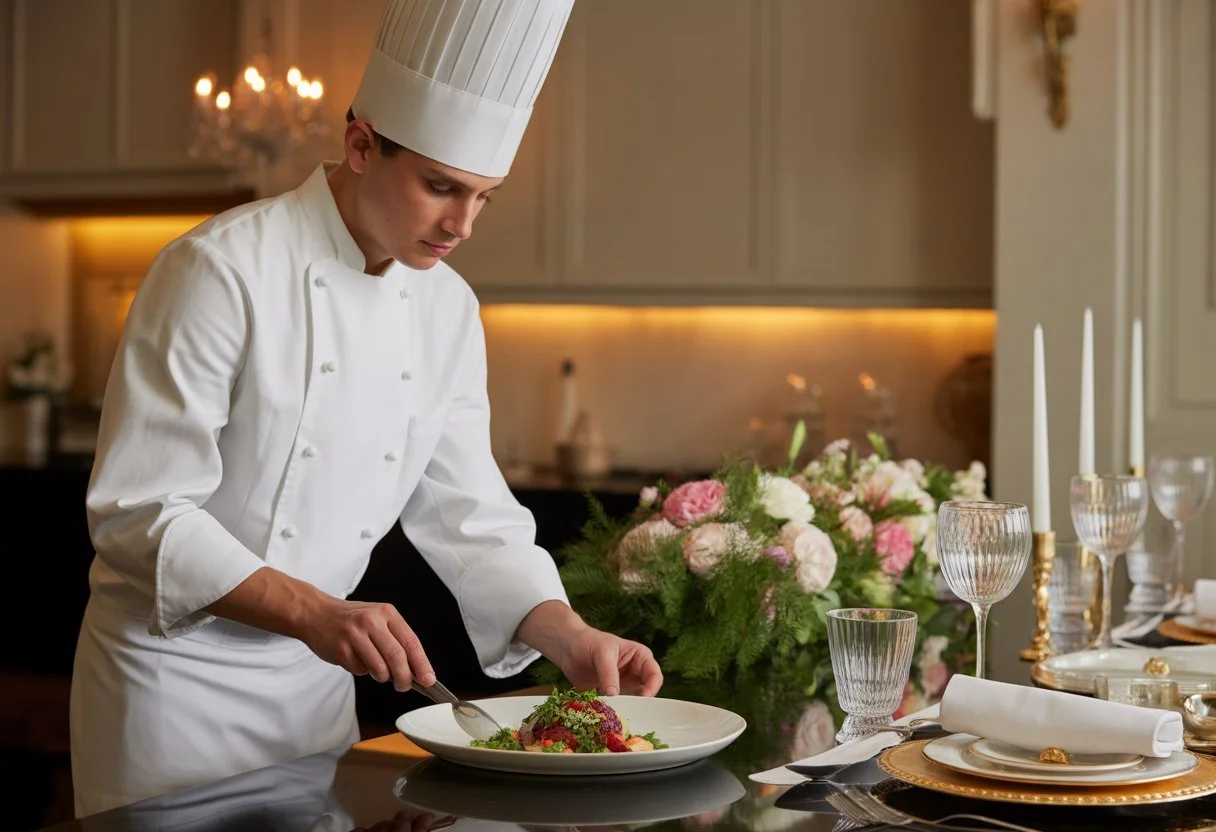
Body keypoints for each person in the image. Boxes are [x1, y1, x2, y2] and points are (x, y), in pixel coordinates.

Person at [70, 0, 661, 816]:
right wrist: (316, 611)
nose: (461, 223)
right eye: (441, 187)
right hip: (174, 687)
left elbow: (472, 516)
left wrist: (569, 634)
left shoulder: (448, 308)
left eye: (485, 196)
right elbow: (139, 511)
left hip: (312, 691)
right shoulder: (219, 270)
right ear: (359, 144)